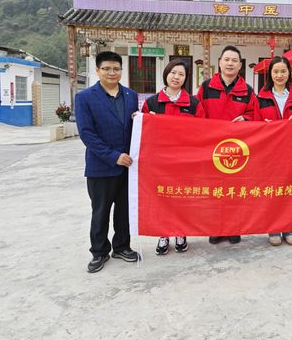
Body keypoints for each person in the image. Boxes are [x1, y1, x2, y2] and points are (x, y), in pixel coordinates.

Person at [75, 51, 140, 273]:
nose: (112, 73)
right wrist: (113, 156)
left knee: (124, 210)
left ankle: (122, 246)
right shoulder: (85, 97)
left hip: (128, 166)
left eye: (116, 69)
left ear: (121, 70)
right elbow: (87, 134)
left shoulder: (131, 95)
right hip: (101, 167)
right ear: (98, 71)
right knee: (100, 211)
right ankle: (99, 251)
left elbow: (137, 128)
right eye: (106, 69)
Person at [141, 59, 205, 255]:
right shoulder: (152, 103)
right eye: (173, 73)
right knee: (162, 197)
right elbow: (143, 133)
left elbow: (203, 131)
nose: (176, 77)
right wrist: (141, 120)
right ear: (166, 74)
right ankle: (163, 234)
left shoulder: (194, 104)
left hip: (185, 162)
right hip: (160, 162)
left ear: (186, 79)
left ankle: (181, 232)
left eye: (181, 74)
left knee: (182, 197)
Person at [197, 45, 260, 244]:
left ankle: (233, 228)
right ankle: (216, 228)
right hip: (212, 148)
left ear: (240, 65)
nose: (230, 63)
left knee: (235, 190)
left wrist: (245, 119)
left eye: (234, 60)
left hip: (237, 149)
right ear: (220, 63)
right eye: (226, 59)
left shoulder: (247, 91)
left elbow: (254, 115)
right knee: (214, 190)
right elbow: (198, 114)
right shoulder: (206, 87)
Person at [257, 56, 292, 247]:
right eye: (276, 71)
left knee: (291, 188)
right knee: (271, 189)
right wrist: (264, 126)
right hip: (269, 152)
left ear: (289, 73)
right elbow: (254, 122)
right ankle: (273, 228)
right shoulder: (261, 97)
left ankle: (290, 228)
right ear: (270, 74)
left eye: (283, 71)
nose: (279, 75)